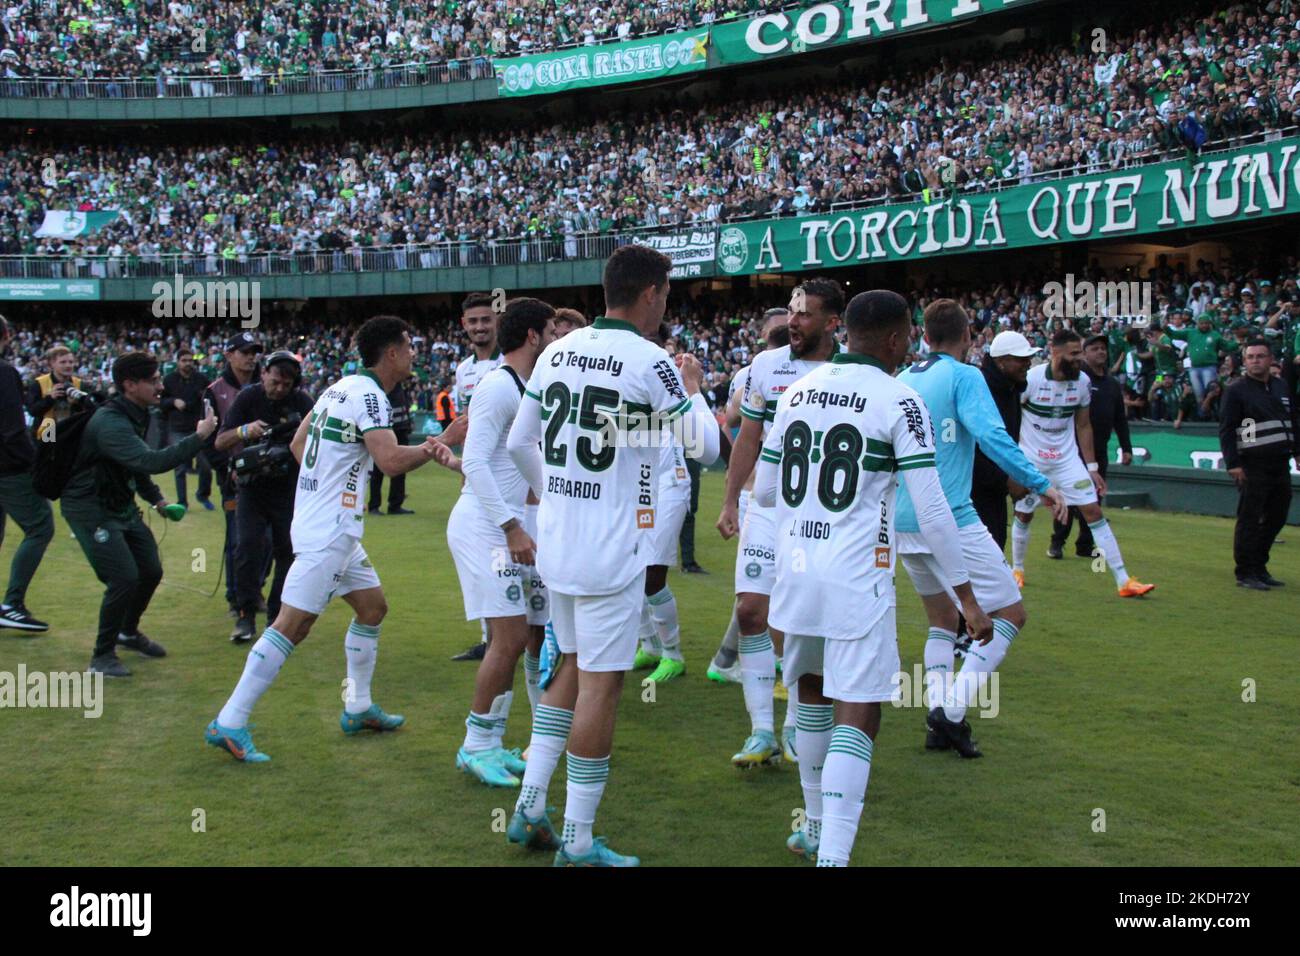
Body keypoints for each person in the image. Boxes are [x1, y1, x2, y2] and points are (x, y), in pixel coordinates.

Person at [753, 289, 992, 867]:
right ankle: (833, 856)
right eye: (908, 334)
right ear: (893, 339)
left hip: (795, 573)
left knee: (809, 693)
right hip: (856, 578)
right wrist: (966, 596)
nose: (911, 344)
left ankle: (812, 824)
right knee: (859, 709)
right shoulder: (899, 398)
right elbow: (932, 510)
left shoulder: (798, 391)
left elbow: (761, 490)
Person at [505, 244, 720, 866]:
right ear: (650, 293)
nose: (666, 305)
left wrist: (558, 496)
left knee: (570, 670)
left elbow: (522, 443)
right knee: (602, 687)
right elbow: (704, 447)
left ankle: (527, 807)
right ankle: (576, 839)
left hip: (562, 544)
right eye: (668, 294)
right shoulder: (652, 360)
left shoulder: (559, 352)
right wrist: (698, 389)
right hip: (610, 552)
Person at [205, 316, 443, 763]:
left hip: (329, 524)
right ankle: (230, 721)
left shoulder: (341, 386)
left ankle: (357, 706)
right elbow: (390, 461)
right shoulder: (370, 396)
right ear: (391, 353)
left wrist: (331, 483)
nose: (414, 353)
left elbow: (299, 443)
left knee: (373, 608)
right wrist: (440, 443)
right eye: (409, 346)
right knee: (292, 625)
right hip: (330, 530)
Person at [895, 300, 1066, 761]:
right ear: (968, 335)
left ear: (923, 336)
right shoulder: (965, 376)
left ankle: (937, 715)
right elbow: (993, 437)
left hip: (904, 520)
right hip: (950, 516)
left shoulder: (905, 378)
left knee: (942, 621)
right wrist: (1041, 483)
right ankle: (950, 713)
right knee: (1011, 614)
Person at [717, 280, 844, 768]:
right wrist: (731, 500)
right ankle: (760, 732)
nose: (793, 322)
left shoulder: (848, 370)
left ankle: (795, 725)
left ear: (833, 323)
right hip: (765, 508)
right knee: (751, 611)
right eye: (791, 313)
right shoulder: (765, 367)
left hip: (819, 517)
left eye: (805, 314)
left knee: (801, 620)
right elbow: (748, 437)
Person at [433, 298, 556, 787]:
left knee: (519, 637)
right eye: (550, 330)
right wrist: (512, 528)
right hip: (485, 529)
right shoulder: (497, 387)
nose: (556, 338)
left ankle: (493, 740)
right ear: (531, 337)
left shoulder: (526, 387)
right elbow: (478, 463)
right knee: (506, 639)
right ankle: (474, 746)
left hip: (504, 525)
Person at [63, 352, 218, 677]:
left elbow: (134, 467)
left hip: (119, 505)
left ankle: (127, 632)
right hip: (91, 508)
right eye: (154, 381)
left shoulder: (136, 411)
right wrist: (200, 436)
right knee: (123, 578)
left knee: (150, 570)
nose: (160, 386)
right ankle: (101, 657)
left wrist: (157, 500)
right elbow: (150, 462)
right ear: (129, 385)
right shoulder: (111, 422)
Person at [1011, 330, 1155, 598]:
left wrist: (1092, 468)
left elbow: (1083, 424)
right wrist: (1016, 464)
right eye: (1073, 354)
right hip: (1031, 460)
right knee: (1024, 513)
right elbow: (1012, 419)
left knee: (1093, 511)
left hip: (1067, 460)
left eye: (1080, 353)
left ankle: (1123, 581)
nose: (1079, 359)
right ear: (1055, 352)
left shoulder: (1082, 382)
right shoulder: (1030, 380)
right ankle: (1017, 570)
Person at [706, 308, 789, 685]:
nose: (786, 333)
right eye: (776, 330)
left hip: (792, 496)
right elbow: (733, 420)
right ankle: (754, 660)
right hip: (760, 494)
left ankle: (735, 657)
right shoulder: (754, 372)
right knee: (761, 588)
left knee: (767, 587)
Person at [216, 351, 315, 643]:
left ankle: (276, 617)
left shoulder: (302, 402)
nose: (280, 389)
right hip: (252, 487)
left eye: (287, 384)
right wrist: (245, 431)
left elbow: (317, 442)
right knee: (247, 546)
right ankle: (245, 614)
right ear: (264, 375)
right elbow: (221, 441)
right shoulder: (248, 398)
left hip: (288, 489)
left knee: (287, 552)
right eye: (275, 382)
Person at [632, 323, 693, 685]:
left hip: (670, 482)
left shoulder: (669, 378)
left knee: (653, 573)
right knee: (632, 569)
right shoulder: (627, 374)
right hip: (637, 482)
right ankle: (649, 645)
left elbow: (697, 436)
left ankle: (673, 654)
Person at [445, 291, 504, 662]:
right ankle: (490, 639)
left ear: (498, 321)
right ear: (464, 325)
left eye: (487, 319)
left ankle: (523, 636)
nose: (480, 327)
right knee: (483, 559)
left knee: (509, 556)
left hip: (508, 474)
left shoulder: (511, 365)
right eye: (473, 321)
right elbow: (465, 425)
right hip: (477, 473)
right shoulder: (463, 370)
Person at [1219, 340, 1296, 590]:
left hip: (1280, 461)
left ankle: (1259, 565)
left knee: (1277, 516)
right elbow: (1228, 429)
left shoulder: (1281, 386)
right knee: (1250, 518)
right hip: (1252, 464)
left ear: (1270, 359)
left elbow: (1292, 418)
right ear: (1244, 360)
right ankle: (1245, 571)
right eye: (1250, 356)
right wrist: (1233, 463)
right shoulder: (1236, 390)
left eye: (1260, 356)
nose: (1255, 361)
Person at [1050, 333, 1133, 559]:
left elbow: (1120, 419)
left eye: (1103, 348)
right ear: (1084, 353)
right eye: (1095, 348)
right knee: (1068, 497)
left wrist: (1126, 447)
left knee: (1094, 498)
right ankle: (1057, 542)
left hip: (1101, 449)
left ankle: (1085, 545)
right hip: (1073, 450)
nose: (1101, 352)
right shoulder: (1077, 379)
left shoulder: (1113, 385)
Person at [202, 332, 262, 617]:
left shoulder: (268, 385)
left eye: (254, 352)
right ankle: (235, 597)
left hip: (267, 473)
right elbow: (208, 437)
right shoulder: (214, 391)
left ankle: (254, 590)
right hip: (232, 477)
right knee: (239, 539)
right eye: (245, 351)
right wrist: (226, 470)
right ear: (229, 355)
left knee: (269, 539)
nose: (251, 357)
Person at [0, 316, 53, 632]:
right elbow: (12, 430)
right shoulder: (5, 372)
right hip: (10, 467)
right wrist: (36, 464)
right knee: (40, 527)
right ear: (7, 335)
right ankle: (12, 604)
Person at [970, 331, 1037, 550]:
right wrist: (1007, 479)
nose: (1027, 363)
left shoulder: (1011, 389)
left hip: (994, 490)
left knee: (995, 548)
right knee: (983, 558)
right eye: (1020, 359)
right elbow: (974, 446)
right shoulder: (982, 389)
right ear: (1001, 361)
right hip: (971, 491)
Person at [160, 347, 214, 509]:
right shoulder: (169, 380)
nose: (188, 364)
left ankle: (202, 494)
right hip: (177, 428)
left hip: (197, 428)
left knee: (205, 466)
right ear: (177, 362)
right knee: (180, 467)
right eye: (184, 360)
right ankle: (182, 501)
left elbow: (210, 397)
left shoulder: (201, 379)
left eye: (190, 360)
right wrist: (173, 402)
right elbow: (161, 402)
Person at [367, 375, 415, 515]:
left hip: (400, 429)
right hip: (386, 429)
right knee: (378, 469)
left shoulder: (398, 385)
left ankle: (394, 505)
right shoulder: (384, 384)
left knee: (400, 468)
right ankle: (375, 505)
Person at [25, 345, 96, 438]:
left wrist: (75, 403)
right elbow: (32, 411)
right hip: (47, 434)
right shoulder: (39, 383)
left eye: (71, 362)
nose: (68, 365)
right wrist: (50, 398)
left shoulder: (80, 384)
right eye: (63, 362)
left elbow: (90, 410)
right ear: (52, 363)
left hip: (72, 433)